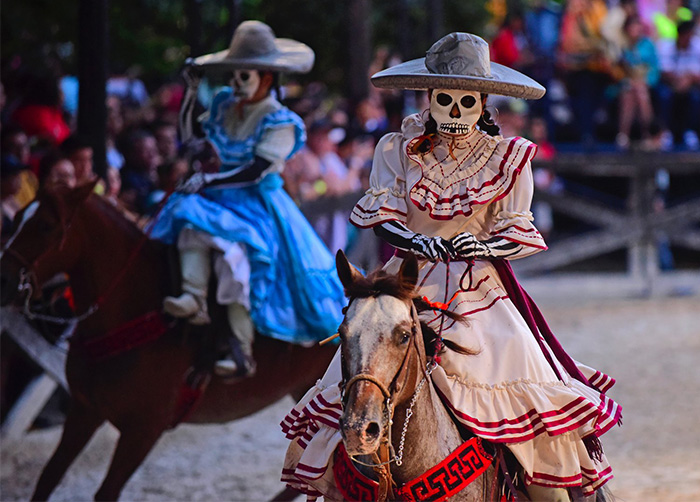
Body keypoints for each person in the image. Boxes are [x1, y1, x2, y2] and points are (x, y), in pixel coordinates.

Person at [281, 33, 621, 501]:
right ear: (429, 97)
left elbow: (517, 229)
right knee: (358, 371)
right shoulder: (394, 148)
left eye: (467, 100)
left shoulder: (508, 157)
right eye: (445, 99)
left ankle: (550, 491)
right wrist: (418, 240)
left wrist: (478, 247)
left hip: (478, 292)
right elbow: (382, 217)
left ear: (483, 101)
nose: (456, 111)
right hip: (406, 281)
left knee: (523, 382)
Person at [149, 21, 345, 378]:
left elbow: (255, 171)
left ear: (267, 78)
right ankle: (193, 297)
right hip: (218, 198)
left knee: (235, 256)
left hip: (258, 205)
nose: (235, 85)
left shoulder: (280, 121)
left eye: (244, 77)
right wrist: (192, 91)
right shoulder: (225, 103)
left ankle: (241, 346)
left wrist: (208, 177)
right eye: (233, 76)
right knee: (188, 222)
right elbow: (190, 136)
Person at [616, 15, 660, 149]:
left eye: (638, 26)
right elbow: (618, 70)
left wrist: (646, 82)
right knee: (631, 92)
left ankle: (644, 134)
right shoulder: (621, 46)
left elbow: (655, 69)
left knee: (640, 92)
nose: (636, 29)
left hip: (645, 84)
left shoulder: (648, 45)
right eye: (633, 27)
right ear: (627, 29)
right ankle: (626, 135)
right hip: (624, 85)